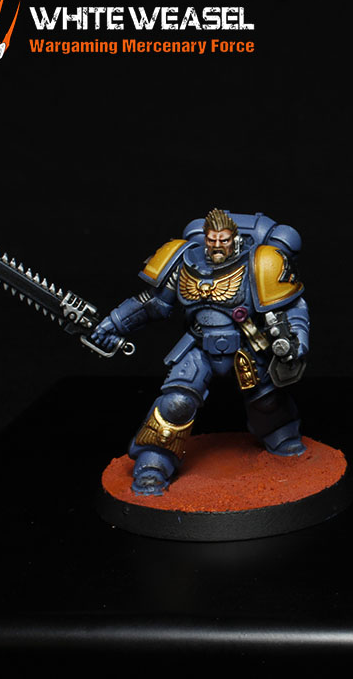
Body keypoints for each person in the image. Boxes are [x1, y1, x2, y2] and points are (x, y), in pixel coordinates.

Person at [91, 209, 309, 495]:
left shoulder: (259, 264)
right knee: (176, 403)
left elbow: (290, 309)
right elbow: (152, 304)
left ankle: (284, 440)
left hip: (245, 346)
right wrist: (115, 323)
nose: (217, 246)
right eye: (212, 240)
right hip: (199, 348)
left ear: (236, 240)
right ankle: (152, 464)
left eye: (224, 240)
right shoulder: (184, 263)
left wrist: (296, 340)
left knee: (267, 401)